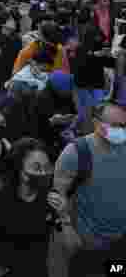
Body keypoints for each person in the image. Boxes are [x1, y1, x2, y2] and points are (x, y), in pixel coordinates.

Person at [53, 99, 126, 276]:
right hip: (88, 245)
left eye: (123, 125)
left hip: (121, 244)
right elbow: (58, 195)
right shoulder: (76, 152)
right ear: (96, 123)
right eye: (115, 125)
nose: (121, 130)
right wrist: (67, 227)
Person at [0, 137, 64, 277]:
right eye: (36, 167)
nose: (43, 173)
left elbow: (71, 244)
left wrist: (64, 215)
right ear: (18, 167)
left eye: (47, 168)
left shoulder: (50, 198)